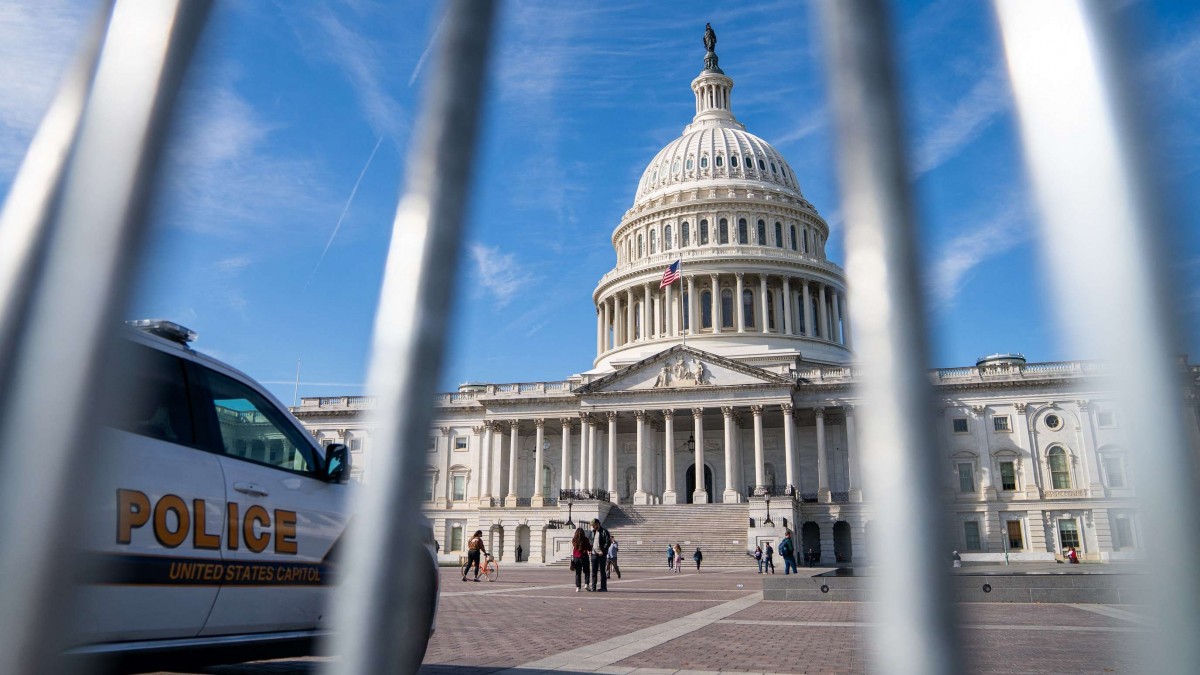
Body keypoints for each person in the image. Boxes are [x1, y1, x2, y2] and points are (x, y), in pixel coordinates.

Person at [588, 518, 611, 592]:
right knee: (594, 572)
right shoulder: (593, 532)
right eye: (592, 525)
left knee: (602, 571)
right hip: (594, 554)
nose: (593, 527)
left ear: (598, 524)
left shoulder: (604, 531)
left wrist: (603, 551)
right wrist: (590, 550)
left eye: (594, 525)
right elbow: (591, 541)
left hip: (601, 554)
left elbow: (608, 543)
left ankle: (603, 587)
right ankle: (593, 587)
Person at [571, 527, 592, 592]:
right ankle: (586, 584)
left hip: (576, 558)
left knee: (578, 573)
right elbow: (589, 548)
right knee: (587, 571)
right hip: (584, 557)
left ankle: (578, 587)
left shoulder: (574, 539)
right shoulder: (585, 539)